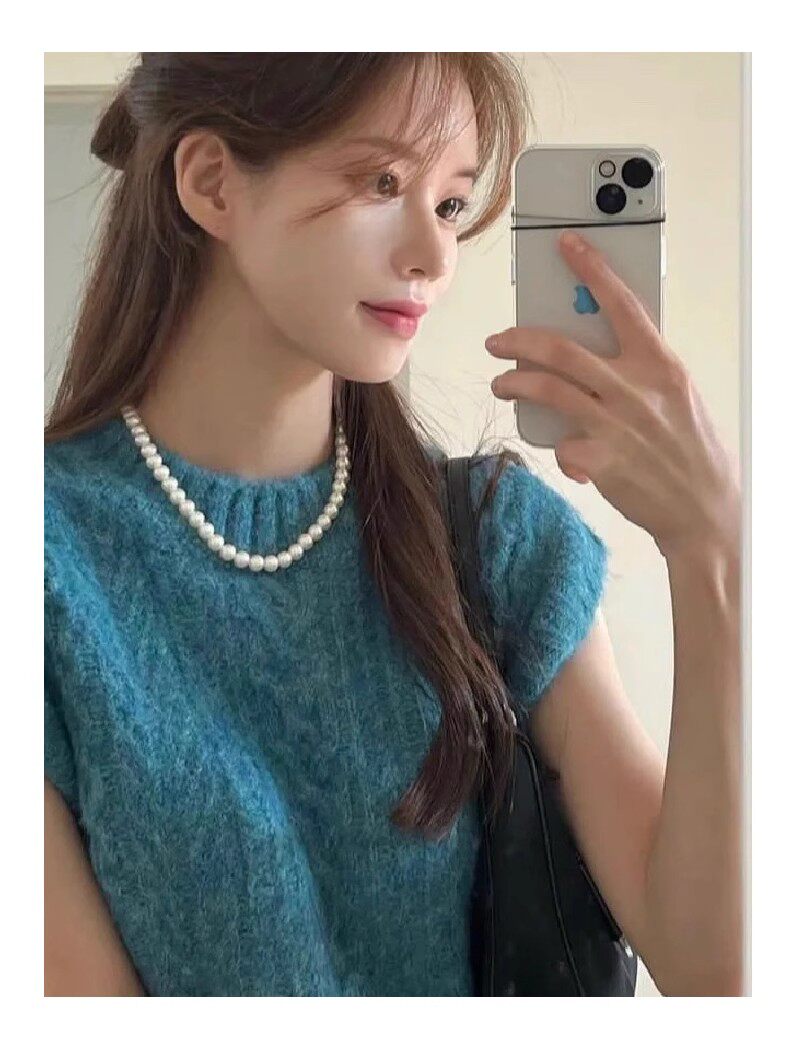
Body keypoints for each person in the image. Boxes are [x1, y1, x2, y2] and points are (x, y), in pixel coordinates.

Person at [44, 53, 742, 997]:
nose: (435, 255)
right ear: (212, 182)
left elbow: (715, 974)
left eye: (450, 204)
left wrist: (714, 551)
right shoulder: (46, 561)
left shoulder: (495, 540)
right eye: (382, 182)